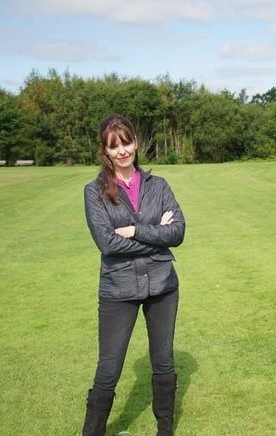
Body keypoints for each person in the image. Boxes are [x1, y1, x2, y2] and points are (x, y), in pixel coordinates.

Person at [82, 114, 186, 435]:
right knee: (109, 369)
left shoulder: (159, 185)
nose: (122, 151)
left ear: (136, 143)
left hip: (163, 286)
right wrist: (156, 236)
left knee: (164, 362)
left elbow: (178, 231)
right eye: (114, 146)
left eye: (126, 143)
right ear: (105, 151)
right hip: (118, 288)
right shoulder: (94, 191)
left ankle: (165, 430)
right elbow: (107, 243)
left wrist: (134, 230)